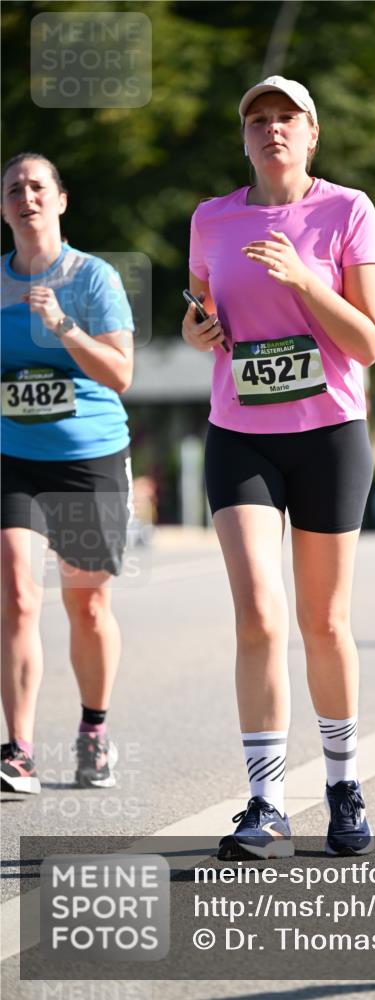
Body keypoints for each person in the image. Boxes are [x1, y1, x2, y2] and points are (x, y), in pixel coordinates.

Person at [183, 76, 375, 859]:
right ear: (243, 139)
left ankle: (341, 782)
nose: (272, 129)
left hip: (329, 432)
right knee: (259, 615)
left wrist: (304, 282)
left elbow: (368, 343)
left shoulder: (346, 212)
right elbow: (199, 308)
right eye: (258, 120)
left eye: (286, 118)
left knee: (323, 621)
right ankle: (265, 802)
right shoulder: (211, 219)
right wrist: (197, 330)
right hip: (240, 433)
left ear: (312, 134)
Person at [1, 153, 134, 794]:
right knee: (21, 598)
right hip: (13, 461)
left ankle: (93, 732)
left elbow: (120, 373)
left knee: (86, 605)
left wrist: (62, 326)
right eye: (14, 190)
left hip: (88, 458)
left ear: (60, 200)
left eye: (36, 187)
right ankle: (18, 749)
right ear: (3, 209)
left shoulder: (93, 278)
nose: (26, 197)